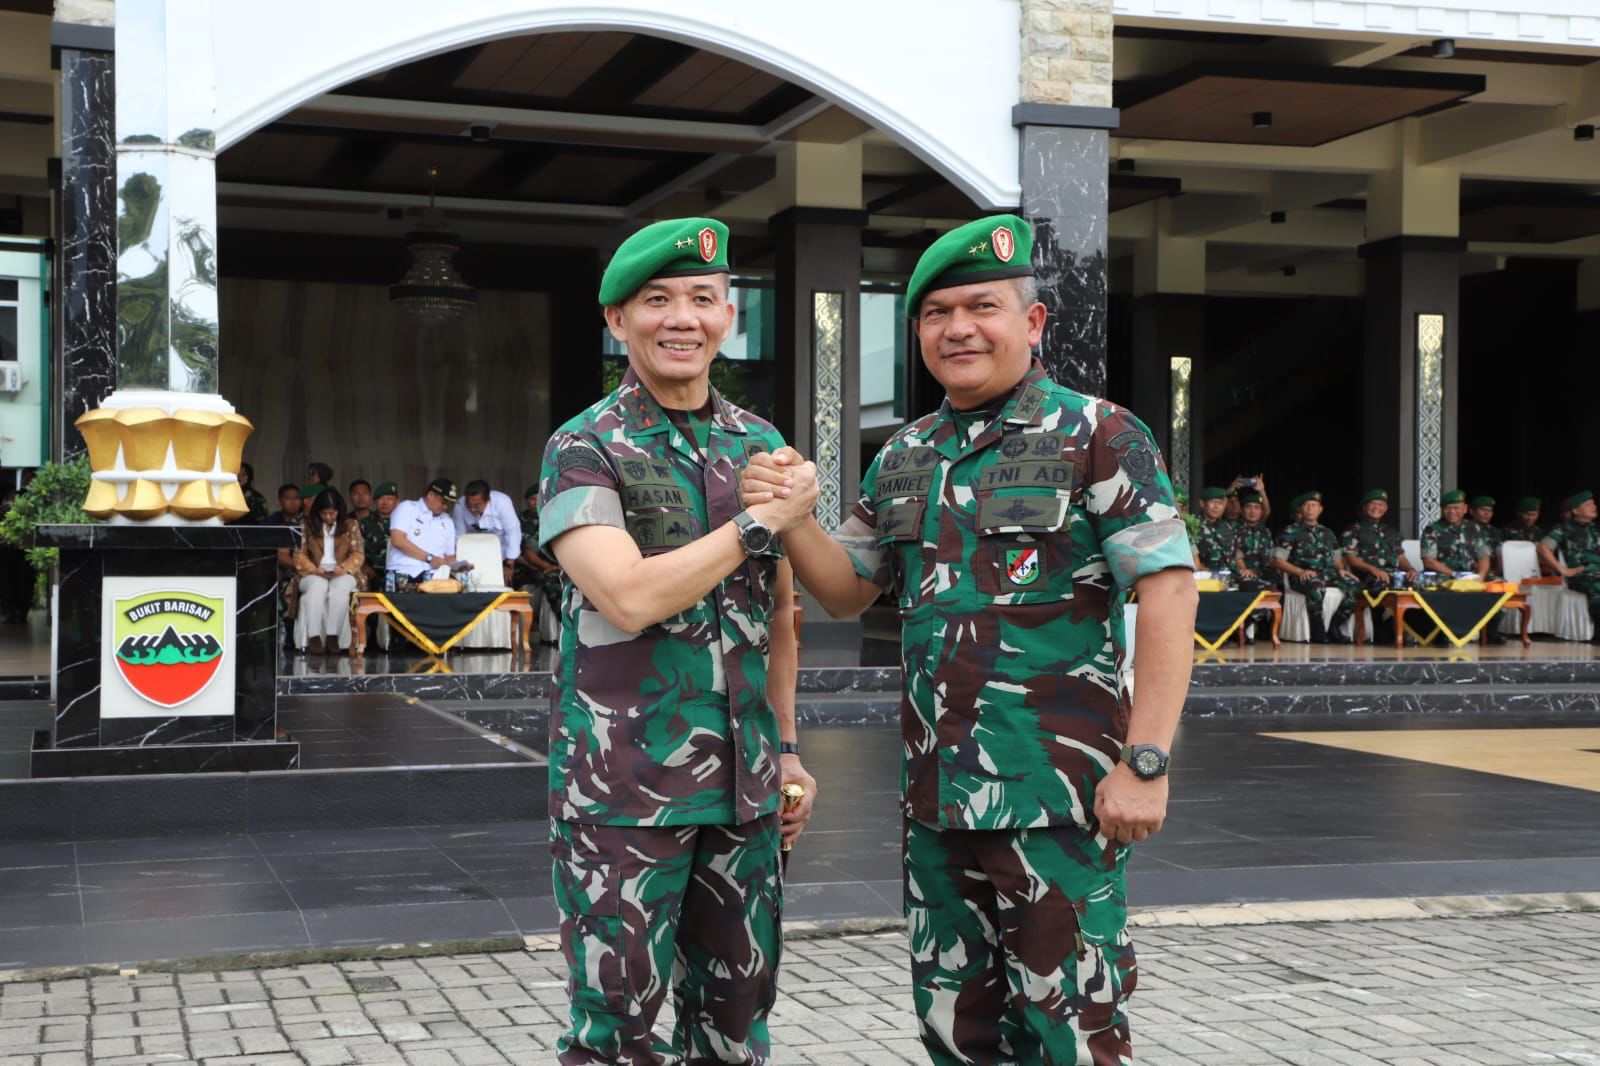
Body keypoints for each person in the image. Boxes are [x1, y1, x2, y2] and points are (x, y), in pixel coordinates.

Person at [740, 214, 1196, 1064]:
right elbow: (844, 588)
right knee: (956, 1030)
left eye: (982, 307)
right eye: (936, 313)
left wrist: (1147, 762)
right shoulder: (905, 454)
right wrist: (791, 517)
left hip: (1057, 801)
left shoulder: (1098, 434)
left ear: (1032, 322)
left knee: (1072, 1029)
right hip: (937, 803)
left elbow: (1169, 591)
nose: (958, 329)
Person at [537, 216, 818, 1064]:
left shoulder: (759, 445)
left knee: (737, 1025)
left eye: (703, 297)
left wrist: (790, 751)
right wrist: (758, 522)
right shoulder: (583, 447)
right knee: (615, 1030)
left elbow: (781, 615)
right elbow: (625, 596)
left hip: (746, 791)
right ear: (617, 319)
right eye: (657, 300)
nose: (682, 318)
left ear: (729, 314)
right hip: (625, 788)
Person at [1273, 491, 1361, 644]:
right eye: (1306, 505)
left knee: (1356, 586)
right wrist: (1300, 571)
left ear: (1320, 509)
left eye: (1314, 505)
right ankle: (1318, 630)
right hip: (1303, 576)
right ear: (1300, 509)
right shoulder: (1290, 531)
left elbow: (1337, 560)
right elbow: (1277, 561)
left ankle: (1335, 626)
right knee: (1316, 586)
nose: (1310, 509)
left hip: (1328, 574)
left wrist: (1342, 570)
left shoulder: (1328, 533)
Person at [291, 488, 364, 654]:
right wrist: (315, 570)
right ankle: (314, 635)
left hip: (343, 571)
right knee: (317, 586)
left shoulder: (350, 525)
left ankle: (332, 634)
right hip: (313, 572)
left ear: (339, 511)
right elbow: (299, 555)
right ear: (317, 512)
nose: (328, 517)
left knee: (341, 587)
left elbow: (358, 554)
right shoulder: (307, 526)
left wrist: (343, 568)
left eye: (332, 513)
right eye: (324, 513)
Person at [1340, 489, 1414, 643]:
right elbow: (1350, 557)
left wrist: (1410, 569)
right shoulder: (1354, 530)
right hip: (1367, 576)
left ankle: (1416, 631)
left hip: (1393, 575)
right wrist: (1373, 569)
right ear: (1364, 507)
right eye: (1373, 504)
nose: (1377, 508)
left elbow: (1400, 557)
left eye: (1381, 504)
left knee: (1420, 586)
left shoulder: (1392, 532)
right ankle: (1382, 625)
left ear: (1386, 508)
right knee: (1383, 585)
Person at [1537, 489, 1600, 637]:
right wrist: (1563, 569)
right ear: (1576, 511)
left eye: (1593, 503)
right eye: (1588, 504)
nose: (1594, 506)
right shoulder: (1564, 528)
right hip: (1583, 574)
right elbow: (1542, 547)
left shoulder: (1596, 529)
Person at [386, 478, 465, 591]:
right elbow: (398, 540)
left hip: (435, 578)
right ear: (431, 495)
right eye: (443, 502)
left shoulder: (447, 521)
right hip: (403, 573)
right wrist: (430, 558)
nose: (445, 507)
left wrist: (458, 566)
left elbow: (449, 557)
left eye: (449, 504)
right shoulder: (407, 508)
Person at [453, 480, 521, 585]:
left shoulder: (502, 502)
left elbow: (513, 532)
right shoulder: (459, 505)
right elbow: (459, 537)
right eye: (469, 505)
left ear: (488, 500)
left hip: (501, 555)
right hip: (473, 555)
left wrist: (509, 565)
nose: (472, 509)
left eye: (477, 505)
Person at [513, 482, 563, 619]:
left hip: (552, 566)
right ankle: (562, 618)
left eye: (539, 499)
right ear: (527, 501)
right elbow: (528, 554)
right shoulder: (518, 521)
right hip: (525, 569)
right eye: (532, 499)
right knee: (551, 580)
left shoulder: (552, 519)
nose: (536, 503)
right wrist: (548, 567)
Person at [1421, 489, 1490, 580]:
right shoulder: (1432, 529)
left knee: (1500, 582)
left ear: (1465, 509)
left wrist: (1481, 575)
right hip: (1443, 577)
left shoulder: (1474, 528)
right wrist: (1455, 575)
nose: (1452, 512)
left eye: (1456, 508)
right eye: (1447, 508)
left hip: (1471, 577)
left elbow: (1484, 556)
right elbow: (1429, 561)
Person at [358, 480, 396, 591]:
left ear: (396, 501)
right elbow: (355, 549)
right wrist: (364, 565)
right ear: (374, 501)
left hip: (396, 573)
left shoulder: (403, 524)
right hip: (371, 574)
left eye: (389, 499)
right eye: (381, 499)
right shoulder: (364, 524)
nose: (385, 502)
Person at [1194, 486, 1238, 572]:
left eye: (1220, 503)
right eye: (1212, 502)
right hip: (1204, 575)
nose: (1216, 506)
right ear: (1202, 503)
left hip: (1230, 574)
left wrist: (1243, 569)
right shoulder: (1193, 525)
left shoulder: (1227, 526)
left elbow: (1235, 554)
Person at [1466, 495, 1503, 567]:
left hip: (1492, 570)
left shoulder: (1494, 531)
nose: (1487, 514)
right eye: (1483, 510)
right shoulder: (1464, 528)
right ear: (1472, 511)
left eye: (1490, 511)